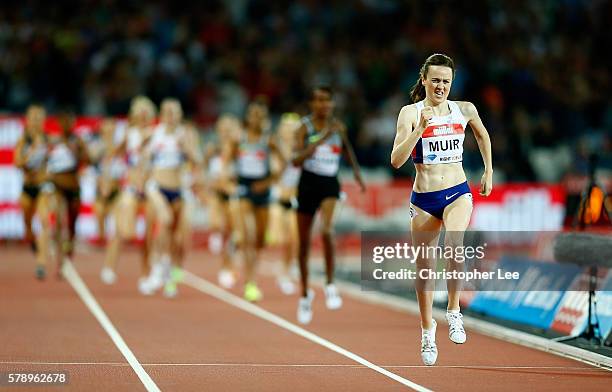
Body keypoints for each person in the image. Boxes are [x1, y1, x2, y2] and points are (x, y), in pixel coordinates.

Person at [390, 53, 493, 366]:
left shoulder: (464, 109)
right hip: (423, 199)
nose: (440, 86)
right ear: (424, 79)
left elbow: (482, 133)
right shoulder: (410, 113)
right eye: (435, 80)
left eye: (446, 81)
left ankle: (453, 311)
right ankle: (427, 330)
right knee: (424, 268)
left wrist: (488, 170)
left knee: (454, 245)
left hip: (457, 191)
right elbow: (396, 160)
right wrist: (419, 129)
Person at [292, 86, 365, 324]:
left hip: (329, 184)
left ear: (332, 104)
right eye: (319, 100)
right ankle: (304, 294)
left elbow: (348, 152)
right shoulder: (304, 127)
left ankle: (330, 284)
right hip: (308, 184)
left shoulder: (339, 127)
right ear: (312, 104)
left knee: (326, 230)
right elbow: (296, 159)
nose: (323, 105)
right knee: (303, 244)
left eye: (327, 101)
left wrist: (357, 175)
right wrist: (321, 138)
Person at [142, 98, 202, 298]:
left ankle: (169, 273)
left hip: (179, 189)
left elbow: (197, 161)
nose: (171, 116)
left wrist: (186, 148)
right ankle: (157, 267)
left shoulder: (186, 134)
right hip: (157, 187)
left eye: (175, 112)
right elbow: (143, 159)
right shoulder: (154, 133)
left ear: (180, 115)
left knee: (177, 236)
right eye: (167, 112)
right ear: (162, 114)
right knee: (164, 220)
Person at [225, 100, 283, 302]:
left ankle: (250, 266)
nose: (256, 119)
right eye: (253, 115)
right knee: (249, 237)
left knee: (259, 240)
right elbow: (227, 161)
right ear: (248, 117)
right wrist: (230, 177)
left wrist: (269, 180)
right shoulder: (238, 139)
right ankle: (251, 283)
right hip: (244, 189)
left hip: (263, 191)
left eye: (260, 115)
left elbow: (285, 163)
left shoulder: (269, 140)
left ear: (264, 119)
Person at [101, 96, 156, 292]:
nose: (142, 118)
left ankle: (146, 275)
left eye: (146, 114)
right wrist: (107, 180)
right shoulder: (129, 133)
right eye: (139, 114)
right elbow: (112, 155)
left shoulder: (156, 135)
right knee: (124, 231)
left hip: (150, 189)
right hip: (131, 187)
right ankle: (109, 266)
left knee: (149, 236)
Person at [42, 109, 89, 275]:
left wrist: (75, 150)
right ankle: (61, 262)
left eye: (70, 122)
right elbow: (45, 160)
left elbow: (87, 160)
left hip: (73, 187)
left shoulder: (77, 141)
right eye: (64, 121)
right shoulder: (54, 141)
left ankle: (68, 252)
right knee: (60, 221)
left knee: (71, 226)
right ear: (60, 123)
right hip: (57, 186)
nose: (67, 125)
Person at [199, 114, 242, 288]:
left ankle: (229, 266)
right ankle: (217, 236)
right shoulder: (212, 148)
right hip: (217, 194)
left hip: (233, 194)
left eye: (228, 130)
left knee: (235, 235)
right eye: (222, 130)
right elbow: (202, 169)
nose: (225, 133)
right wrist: (206, 186)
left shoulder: (238, 150)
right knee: (221, 227)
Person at [13, 104, 48, 278]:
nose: (35, 122)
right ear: (27, 120)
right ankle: (33, 242)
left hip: (43, 188)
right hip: (28, 188)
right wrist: (31, 152)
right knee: (27, 226)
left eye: (38, 118)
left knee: (44, 221)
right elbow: (17, 163)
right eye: (32, 118)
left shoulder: (47, 140)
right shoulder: (23, 140)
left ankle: (41, 262)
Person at [273, 113, 302, 295]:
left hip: (297, 199)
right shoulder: (276, 148)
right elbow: (274, 172)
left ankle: (287, 270)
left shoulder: (303, 147)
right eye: (287, 127)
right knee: (284, 240)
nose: (290, 131)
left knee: (295, 239)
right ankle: (284, 270)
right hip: (279, 199)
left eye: (293, 128)